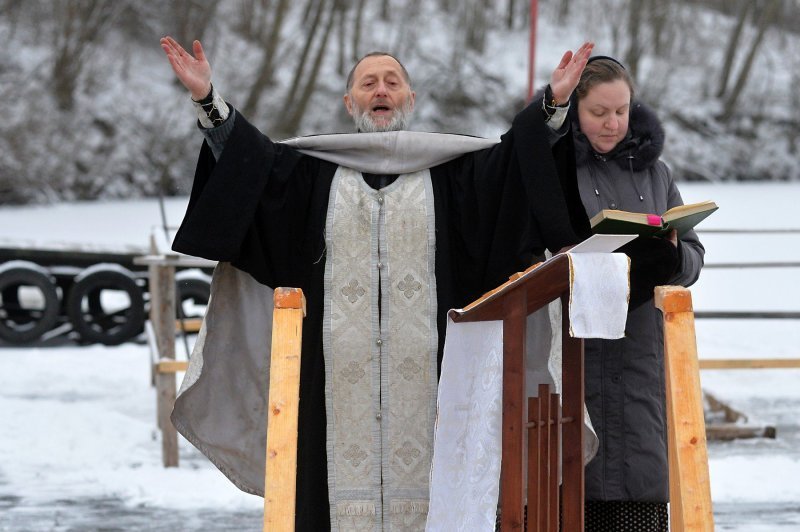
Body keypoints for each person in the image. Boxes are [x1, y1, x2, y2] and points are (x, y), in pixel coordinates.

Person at [159, 36, 594, 531]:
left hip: (437, 390)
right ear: (350, 103)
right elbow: (250, 166)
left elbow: (516, 169)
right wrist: (207, 102)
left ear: (410, 99)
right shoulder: (310, 174)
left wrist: (553, 105)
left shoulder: (455, 175)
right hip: (328, 392)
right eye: (369, 83)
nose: (381, 90)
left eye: (393, 82)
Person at [555, 56, 706, 531]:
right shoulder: (555, 167)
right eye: (600, 111)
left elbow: (695, 254)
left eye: (620, 111)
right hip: (574, 348)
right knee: (570, 490)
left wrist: (675, 258)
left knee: (638, 493)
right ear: (577, 109)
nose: (612, 122)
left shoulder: (656, 173)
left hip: (638, 351)